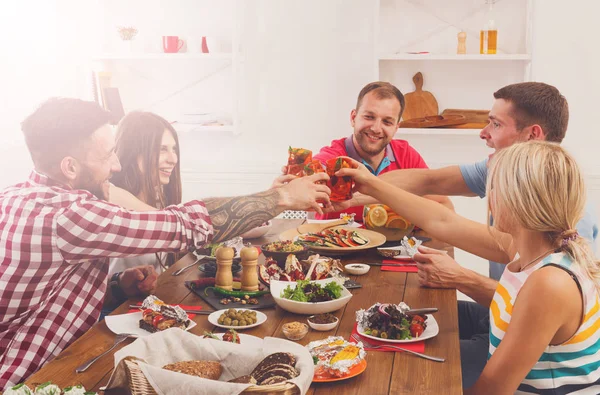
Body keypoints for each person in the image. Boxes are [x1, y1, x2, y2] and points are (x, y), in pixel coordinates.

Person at [0, 97, 331, 388]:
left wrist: (116, 286)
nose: (115, 165)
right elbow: (185, 226)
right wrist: (282, 196)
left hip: (62, 362)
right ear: (70, 167)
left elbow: (43, 292)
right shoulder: (69, 215)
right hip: (28, 380)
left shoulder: (14, 196)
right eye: (107, 155)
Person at [331, 82, 598, 387]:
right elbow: (441, 219)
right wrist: (367, 186)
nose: (489, 194)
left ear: (522, 197)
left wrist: (462, 278)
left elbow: (493, 388)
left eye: (496, 185)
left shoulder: (550, 281)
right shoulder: (528, 244)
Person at [274, 81, 452, 220]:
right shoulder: (332, 157)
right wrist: (294, 182)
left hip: (393, 253)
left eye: (387, 122)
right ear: (353, 117)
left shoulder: (406, 155)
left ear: (396, 127)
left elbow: (444, 204)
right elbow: (309, 185)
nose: (376, 128)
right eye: (369, 117)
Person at [109, 111, 183, 276]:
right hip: (119, 300)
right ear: (134, 151)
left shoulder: (159, 196)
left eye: (174, 149)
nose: (173, 159)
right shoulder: (112, 196)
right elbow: (173, 224)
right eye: (162, 149)